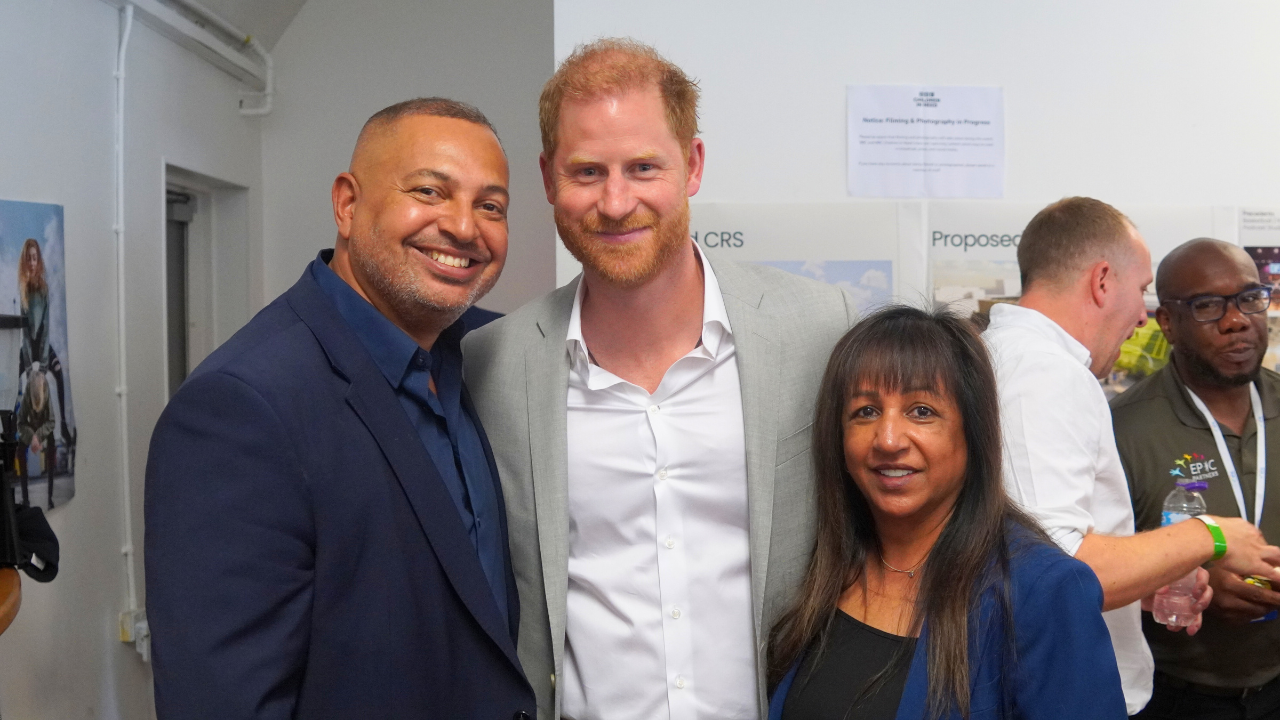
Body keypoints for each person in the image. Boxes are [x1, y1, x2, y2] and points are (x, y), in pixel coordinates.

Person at [462, 39, 856, 719]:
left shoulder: (817, 328)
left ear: (693, 165)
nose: (616, 204)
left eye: (644, 167)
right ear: (549, 176)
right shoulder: (492, 365)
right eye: (587, 172)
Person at [145, 98, 535, 719]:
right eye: (430, 192)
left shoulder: (484, 352)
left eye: (491, 206)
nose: (465, 227)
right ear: (347, 204)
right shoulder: (243, 408)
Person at [982, 198, 1280, 715]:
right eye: (1140, 290)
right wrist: (1209, 534)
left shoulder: (1018, 359)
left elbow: (1033, 548)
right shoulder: (1042, 373)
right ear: (1102, 281)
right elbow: (1056, 572)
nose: (1140, 316)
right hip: (1062, 686)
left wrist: (1148, 580)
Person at [767, 305, 1126, 720]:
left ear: (973, 431)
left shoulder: (1043, 591)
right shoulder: (823, 566)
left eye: (922, 411)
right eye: (865, 411)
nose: (887, 439)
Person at [1113, 238, 1280, 718]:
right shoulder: (1122, 429)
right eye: (1208, 306)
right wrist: (1189, 579)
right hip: (1176, 694)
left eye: (1250, 298)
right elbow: (1091, 567)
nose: (1237, 320)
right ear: (1167, 321)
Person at [17, 238, 72, 448]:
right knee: (13, 378)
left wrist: (45, 361)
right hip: (28, 349)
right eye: (28, 259)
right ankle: (13, 429)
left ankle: (65, 427)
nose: (32, 263)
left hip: (44, 346)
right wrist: (30, 364)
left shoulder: (44, 289)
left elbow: (46, 327)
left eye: (35, 258)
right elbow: (24, 330)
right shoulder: (23, 290)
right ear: (24, 262)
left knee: (59, 375)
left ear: (38, 260)